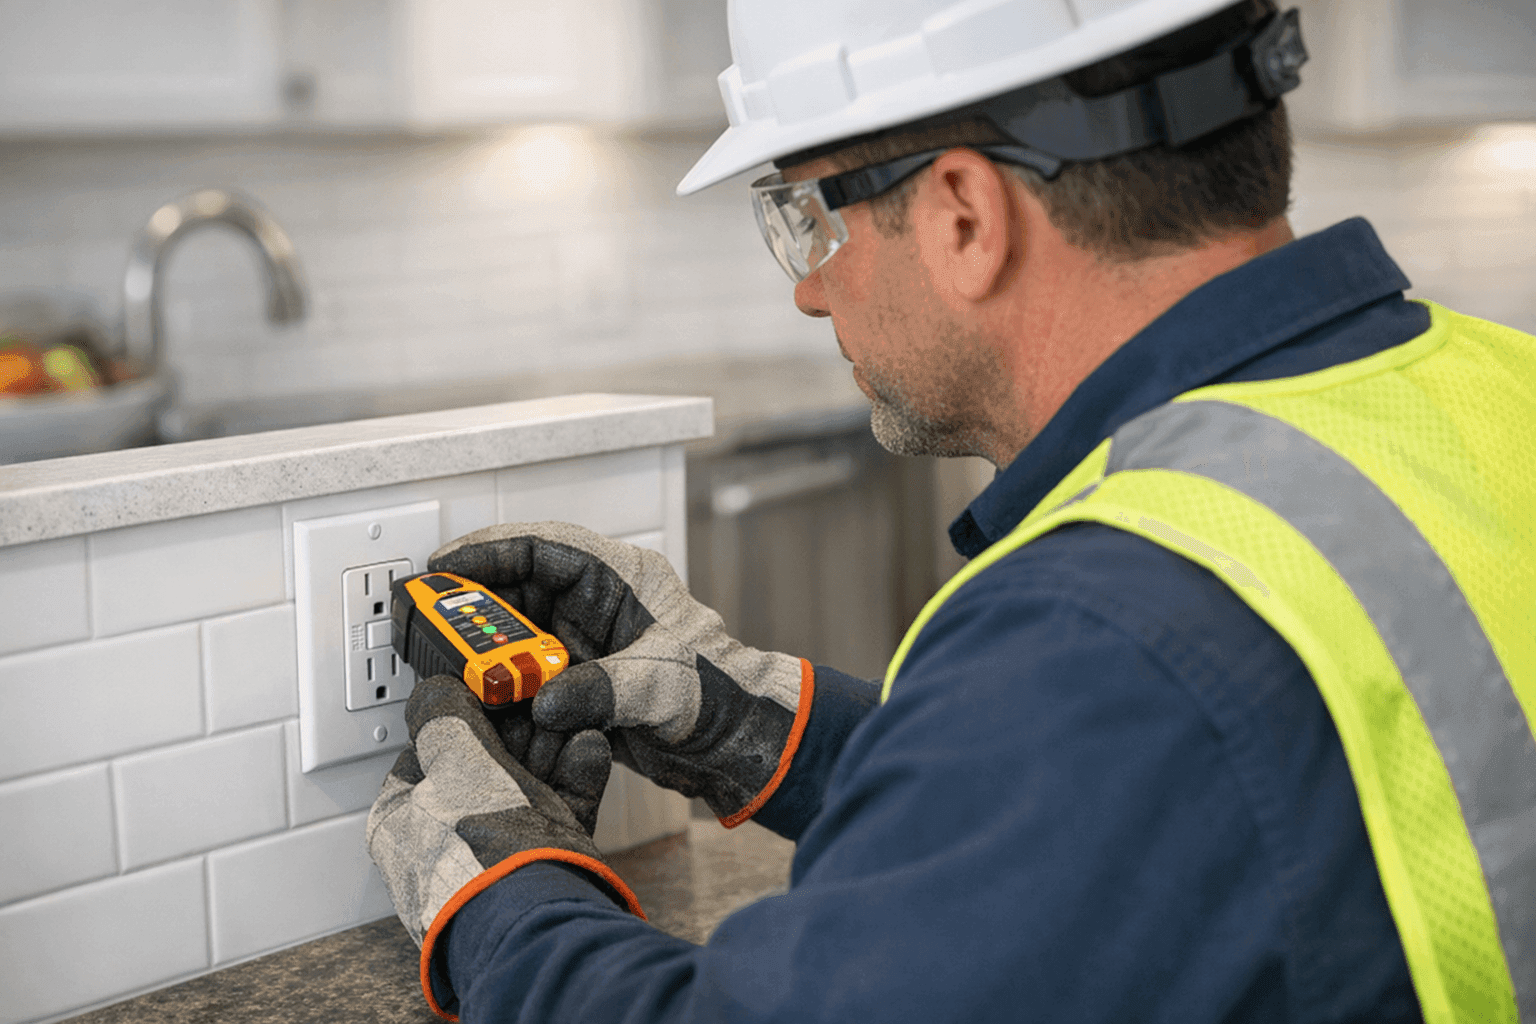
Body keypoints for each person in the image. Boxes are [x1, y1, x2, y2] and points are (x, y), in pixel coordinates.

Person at [366, 1, 1536, 1021]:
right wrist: (760, 722)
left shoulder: (1111, 629)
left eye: (809, 216)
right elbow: (1183, 803)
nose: (812, 289)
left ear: (966, 216)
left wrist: (494, 896)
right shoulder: (1498, 384)